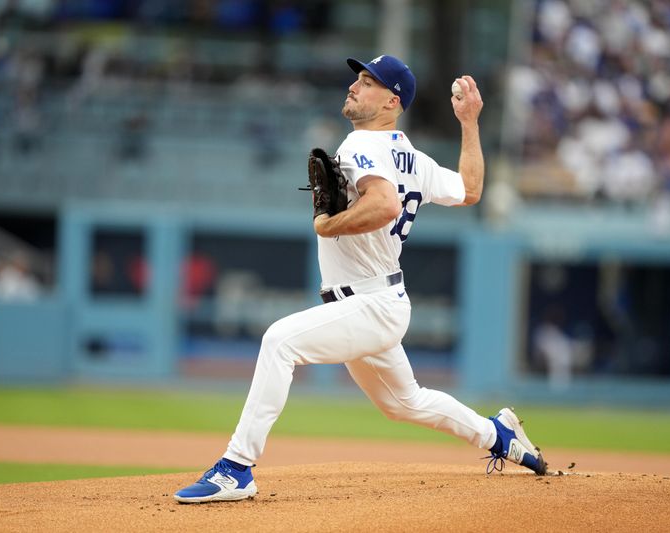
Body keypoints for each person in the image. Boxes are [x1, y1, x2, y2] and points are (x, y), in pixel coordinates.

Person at [174, 55, 547, 504]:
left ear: (393, 101)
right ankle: (498, 434)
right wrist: (469, 124)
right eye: (358, 78)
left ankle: (236, 467)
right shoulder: (415, 159)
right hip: (378, 301)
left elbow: (386, 205)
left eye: (369, 82)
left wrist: (327, 225)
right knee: (404, 403)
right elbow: (470, 189)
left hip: (371, 303)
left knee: (279, 341)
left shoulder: (359, 147)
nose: (355, 86)